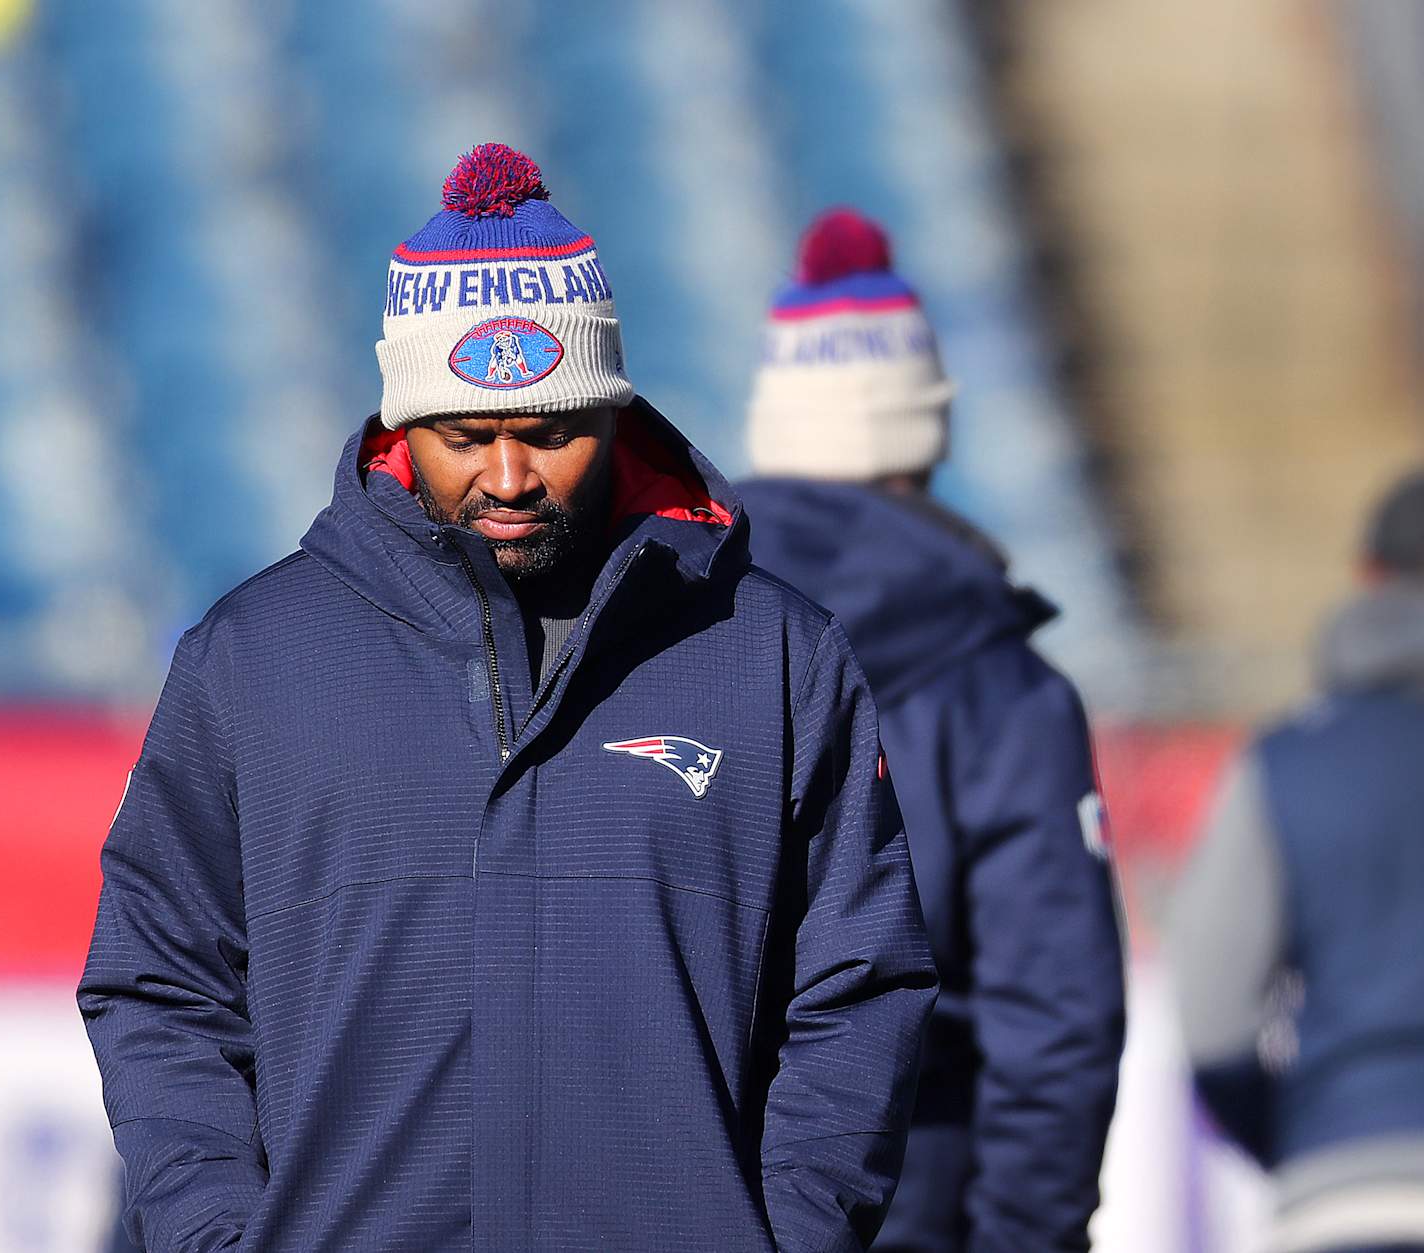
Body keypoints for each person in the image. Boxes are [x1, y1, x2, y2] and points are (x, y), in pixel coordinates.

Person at [79, 145, 937, 1252]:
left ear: (615, 414)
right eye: (466, 435)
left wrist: (787, 1234)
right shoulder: (255, 657)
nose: (510, 477)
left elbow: (862, 986)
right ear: (401, 424)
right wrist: (216, 1233)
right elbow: (159, 982)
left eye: (549, 432)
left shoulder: (772, 653)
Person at [736, 210, 1126, 1252]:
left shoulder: (657, 631)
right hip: (917, 1186)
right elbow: (1055, 1020)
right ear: (924, 426)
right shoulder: (1002, 682)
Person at [1169, 469, 1424, 1253]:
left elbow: (1213, 1017)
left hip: (1342, 1184)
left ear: (1366, 578)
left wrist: (1296, 1137)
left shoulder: (1283, 764)